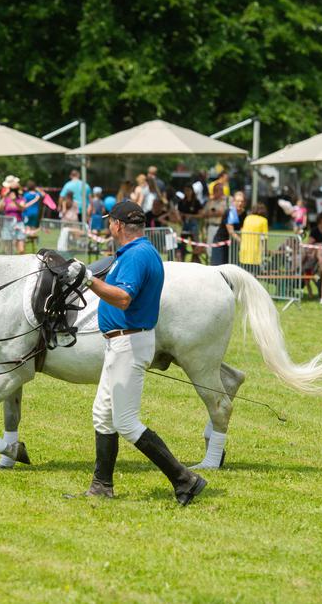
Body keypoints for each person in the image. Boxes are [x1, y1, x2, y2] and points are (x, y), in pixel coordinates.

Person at [66, 201, 206, 505]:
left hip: (128, 343)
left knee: (126, 421)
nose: (108, 228)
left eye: (109, 223)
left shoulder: (137, 256)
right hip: (123, 343)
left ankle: (185, 479)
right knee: (103, 415)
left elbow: (124, 298)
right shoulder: (139, 252)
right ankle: (102, 485)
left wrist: (88, 280)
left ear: (117, 225)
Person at [0, 175, 35, 255]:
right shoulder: (6, 199)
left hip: (18, 224)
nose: (12, 191)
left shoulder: (21, 199)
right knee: (8, 250)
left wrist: (15, 201)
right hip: (7, 224)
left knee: (21, 250)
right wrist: (3, 197)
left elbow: (22, 209)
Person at [210, 190, 246, 266]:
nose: (240, 203)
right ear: (233, 202)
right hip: (221, 243)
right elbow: (231, 231)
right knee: (219, 267)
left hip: (233, 243)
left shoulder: (244, 213)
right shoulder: (230, 212)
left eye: (242, 201)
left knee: (232, 267)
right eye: (237, 201)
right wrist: (243, 242)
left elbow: (243, 229)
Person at [239, 203, 269, 275]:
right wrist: (265, 250)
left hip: (244, 251)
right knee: (254, 276)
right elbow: (265, 237)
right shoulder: (263, 220)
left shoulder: (247, 218)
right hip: (255, 253)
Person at [176, 184, 204, 262]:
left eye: (188, 190)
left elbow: (201, 215)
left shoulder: (196, 202)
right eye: (185, 191)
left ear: (192, 191)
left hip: (194, 225)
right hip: (184, 225)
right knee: (182, 245)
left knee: (195, 245)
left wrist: (191, 216)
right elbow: (178, 213)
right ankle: (182, 261)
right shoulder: (181, 202)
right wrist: (182, 217)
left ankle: (195, 262)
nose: (187, 192)